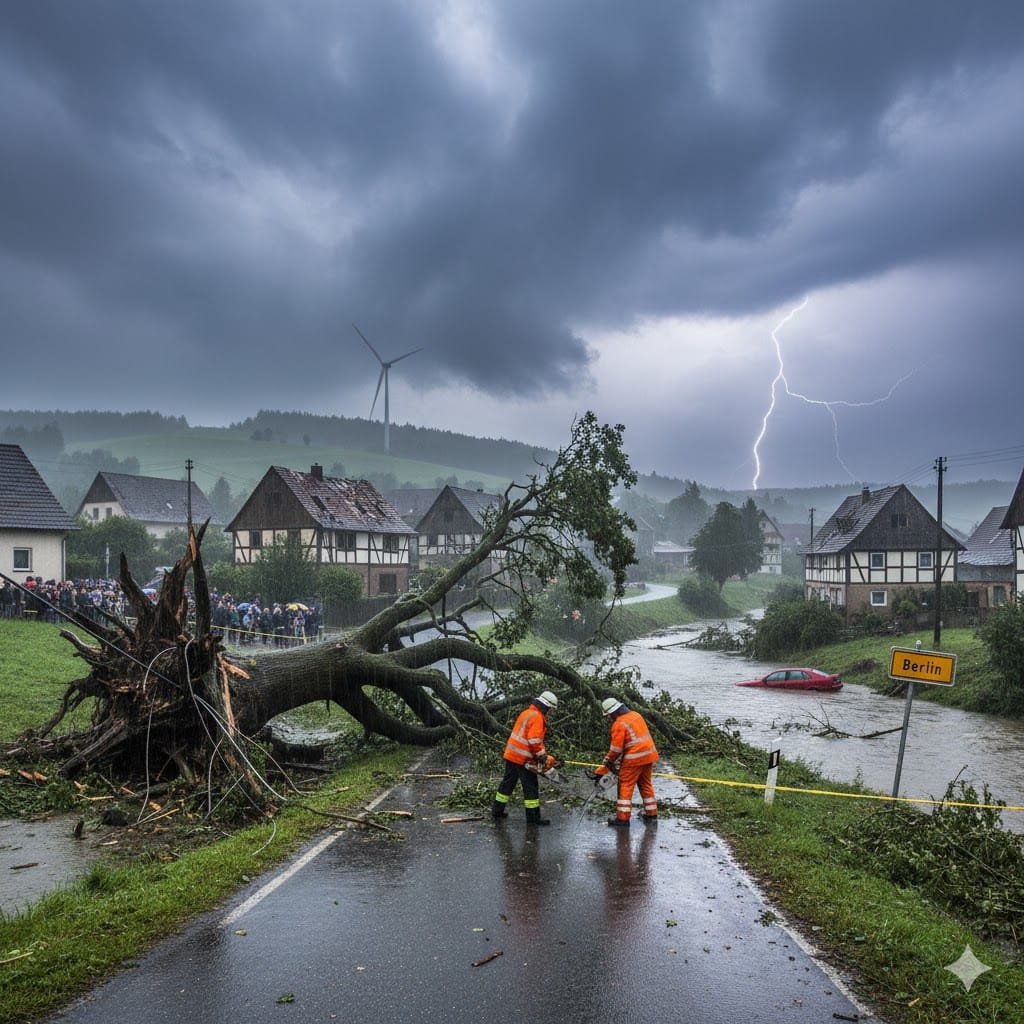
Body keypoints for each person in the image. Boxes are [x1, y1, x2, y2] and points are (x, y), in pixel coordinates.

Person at [492, 691, 559, 826]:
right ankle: (533, 819)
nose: (550, 712)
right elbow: (534, 740)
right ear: (546, 706)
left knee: (507, 783)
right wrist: (542, 757)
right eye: (551, 709)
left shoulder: (526, 713)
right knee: (531, 787)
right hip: (523, 758)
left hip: (511, 754)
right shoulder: (538, 717)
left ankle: (497, 811)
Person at [595, 697, 659, 828]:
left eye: (608, 715)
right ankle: (652, 814)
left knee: (625, 785)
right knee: (645, 784)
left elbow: (615, 749)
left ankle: (622, 819)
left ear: (613, 713)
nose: (609, 718)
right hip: (649, 755)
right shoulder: (636, 715)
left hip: (635, 758)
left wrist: (607, 762)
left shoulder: (619, 724)